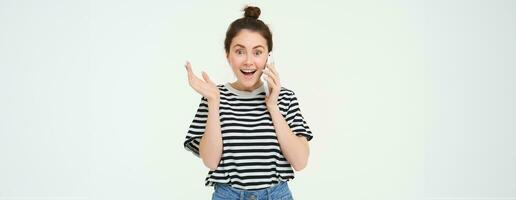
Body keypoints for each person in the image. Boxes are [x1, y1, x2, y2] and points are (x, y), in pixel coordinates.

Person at [183, 6, 313, 200]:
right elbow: (210, 161)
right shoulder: (213, 96)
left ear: (268, 55)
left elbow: (300, 162)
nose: (249, 61)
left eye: (258, 52)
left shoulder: (285, 98)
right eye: (240, 51)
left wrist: (273, 106)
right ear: (228, 54)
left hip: (276, 195)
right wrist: (213, 102)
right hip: (227, 195)